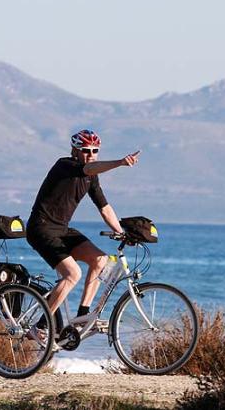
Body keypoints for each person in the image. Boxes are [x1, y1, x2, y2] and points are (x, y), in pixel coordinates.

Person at [26, 129, 140, 322]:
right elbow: (88, 169)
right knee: (73, 274)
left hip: (62, 230)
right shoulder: (65, 165)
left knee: (101, 260)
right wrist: (120, 163)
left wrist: (121, 233)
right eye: (86, 150)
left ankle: (82, 315)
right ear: (75, 150)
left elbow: (104, 208)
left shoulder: (92, 178)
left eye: (95, 151)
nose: (91, 155)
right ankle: (42, 326)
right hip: (41, 229)